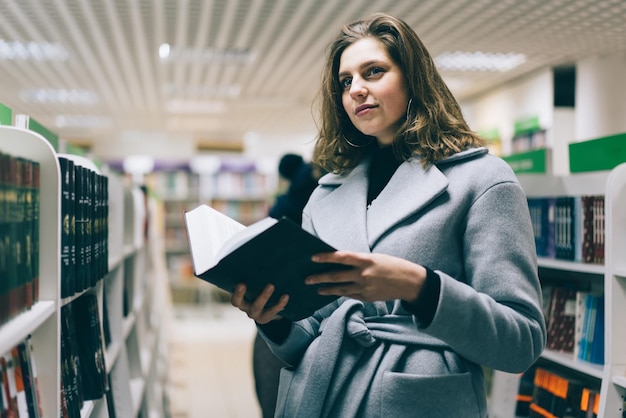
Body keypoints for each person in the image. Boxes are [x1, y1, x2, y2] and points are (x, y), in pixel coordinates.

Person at [232, 13, 546, 418]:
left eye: (374, 72)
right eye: (346, 82)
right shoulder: (326, 194)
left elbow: (520, 341)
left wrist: (420, 287)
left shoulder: (482, 180)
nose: (356, 89)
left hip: (416, 399)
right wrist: (274, 321)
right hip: (326, 393)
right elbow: (310, 334)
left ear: (413, 78)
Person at [253, 153, 321, 418]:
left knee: (273, 383)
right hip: (310, 303)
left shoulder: (288, 202)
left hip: (289, 290)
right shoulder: (317, 187)